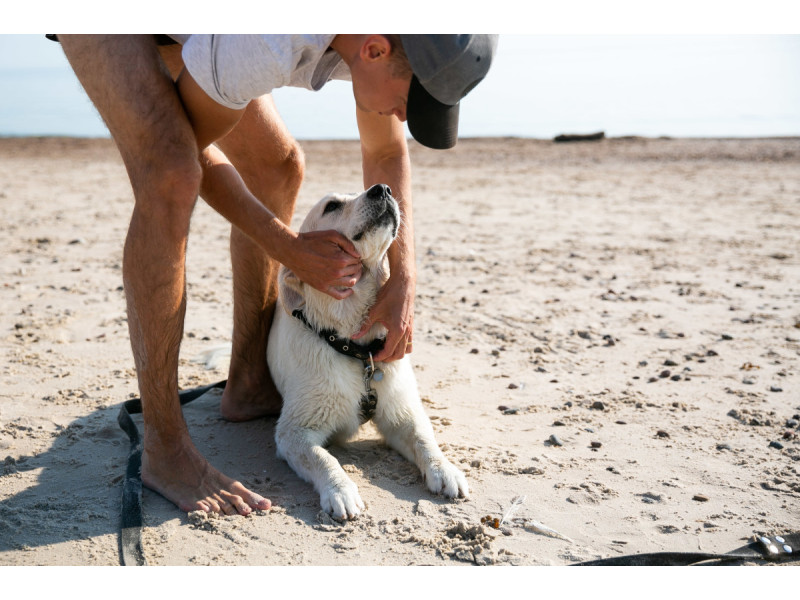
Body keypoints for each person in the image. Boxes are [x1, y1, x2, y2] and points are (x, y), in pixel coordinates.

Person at [56, 34, 497, 516]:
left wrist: (403, 278)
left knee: (278, 166)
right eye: (410, 101)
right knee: (169, 174)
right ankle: (165, 448)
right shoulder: (269, 39)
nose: (406, 116)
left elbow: (387, 155)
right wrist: (289, 248)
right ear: (374, 50)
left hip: (204, 29)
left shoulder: (377, 37)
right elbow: (187, 151)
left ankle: (249, 381)